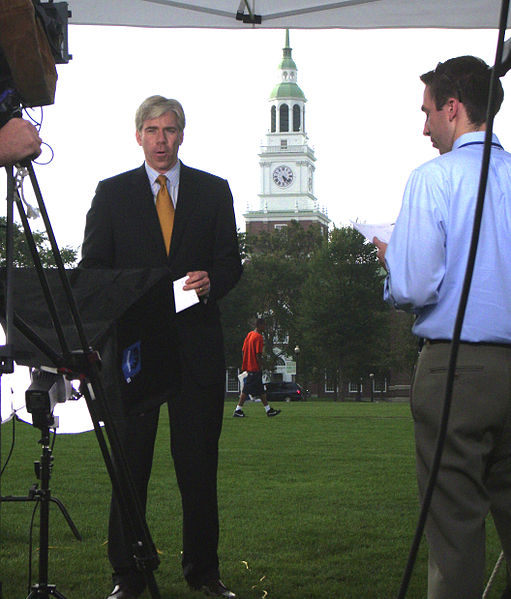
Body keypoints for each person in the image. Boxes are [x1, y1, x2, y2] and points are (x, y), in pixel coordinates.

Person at [80, 95, 242, 599]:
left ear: (182, 135)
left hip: (196, 349)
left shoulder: (214, 192)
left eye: (170, 130)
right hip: (135, 352)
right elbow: (91, 271)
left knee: (198, 465)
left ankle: (204, 572)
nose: (161, 139)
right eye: (152, 129)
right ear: (138, 136)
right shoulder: (112, 194)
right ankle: (128, 575)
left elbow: (231, 262)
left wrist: (212, 280)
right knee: (131, 466)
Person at [374, 56, 511, 599]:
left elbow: (413, 286)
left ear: (452, 109)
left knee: (454, 531)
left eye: (427, 111)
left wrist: (392, 261)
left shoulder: (433, 179)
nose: (423, 125)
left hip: (458, 367)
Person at [233, 318, 281, 418]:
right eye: (264, 325)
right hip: (254, 368)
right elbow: (258, 354)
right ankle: (238, 410)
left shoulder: (250, 334)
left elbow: (243, 350)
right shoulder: (258, 337)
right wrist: (261, 365)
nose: (265, 327)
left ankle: (268, 410)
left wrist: (246, 362)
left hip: (249, 366)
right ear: (259, 325)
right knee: (246, 390)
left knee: (260, 390)